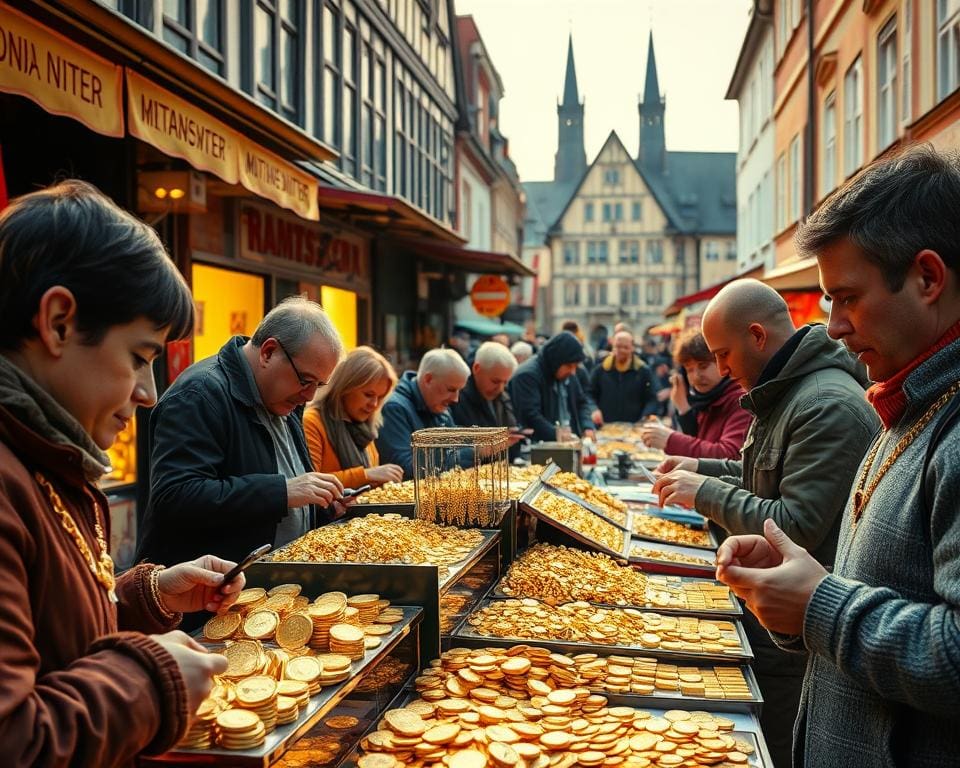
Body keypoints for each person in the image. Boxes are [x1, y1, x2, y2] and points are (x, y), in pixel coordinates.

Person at [715, 146, 960, 767]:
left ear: (928, 278)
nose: (832, 327)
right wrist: (792, 583)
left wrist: (821, 603)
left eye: (846, 297)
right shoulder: (906, 400)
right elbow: (881, 588)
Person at [0, 180, 247, 766]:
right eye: (139, 357)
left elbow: (55, 634)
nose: (148, 393)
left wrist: (149, 593)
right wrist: (152, 679)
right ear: (58, 322)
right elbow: (14, 740)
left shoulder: (46, 459)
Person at [652, 279, 878, 768]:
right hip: (777, 616)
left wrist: (705, 493)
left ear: (757, 336)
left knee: (776, 741)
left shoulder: (825, 405)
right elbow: (763, 476)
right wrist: (701, 469)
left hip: (798, 635)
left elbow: (794, 523)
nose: (723, 368)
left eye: (723, 354)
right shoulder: (784, 390)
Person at [138, 297, 348, 572]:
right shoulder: (199, 395)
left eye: (318, 385)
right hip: (209, 600)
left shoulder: (287, 396)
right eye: (306, 380)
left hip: (271, 588)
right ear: (268, 352)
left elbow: (291, 484)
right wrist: (282, 492)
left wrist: (323, 505)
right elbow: (176, 497)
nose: (309, 395)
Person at [303, 346, 403, 490]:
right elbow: (309, 483)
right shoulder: (312, 421)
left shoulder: (364, 427)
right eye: (368, 394)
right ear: (345, 387)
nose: (374, 404)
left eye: (380, 397)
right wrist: (366, 475)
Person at [640, 329, 751, 459]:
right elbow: (698, 440)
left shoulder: (741, 400)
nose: (696, 376)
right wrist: (683, 407)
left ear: (722, 363)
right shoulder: (706, 398)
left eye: (703, 366)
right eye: (690, 369)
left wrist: (670, 440)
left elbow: (729, 455)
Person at [375, 348, 469, 478]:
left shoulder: (439, 406)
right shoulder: (393, 408)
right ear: (428, 379)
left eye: (459, 390)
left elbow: (457, 450)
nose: (455, 399)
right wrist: (475, 453)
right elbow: (406, 469)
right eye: (451, 389)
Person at [510, 331, 596, 442]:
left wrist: (587, 426)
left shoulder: (568, 374)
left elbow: (581, 402)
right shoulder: (527, 376)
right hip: (539, 448)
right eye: (569, 366)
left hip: (565, 443)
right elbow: (531, 416)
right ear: (557, 360)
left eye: (575, 366)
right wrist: (559, 435)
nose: (573, 372)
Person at [588, 329, 659, 424]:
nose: (621, 350)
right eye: (618, 346)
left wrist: (645, 416)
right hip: (605, 427)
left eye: (626, 347)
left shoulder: (643, 371)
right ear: (612, 347)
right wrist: (594, 409)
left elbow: (652, 399)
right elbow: (589, 394)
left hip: (634, 428)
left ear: (632, 348)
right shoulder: (600, 370)